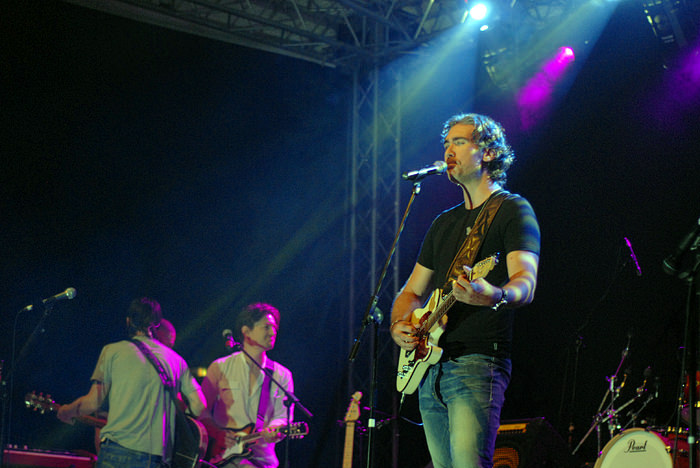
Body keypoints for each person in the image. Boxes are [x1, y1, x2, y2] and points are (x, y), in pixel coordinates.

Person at [390, 113, 540, 468]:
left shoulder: (513, 209)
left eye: (459, 142)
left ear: (488, 152)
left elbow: (526, 282)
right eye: (446, 143)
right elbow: (410, 293)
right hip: (430, 366)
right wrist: (399, 326)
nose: (448, 151)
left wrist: (494, 295)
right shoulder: (443, 222)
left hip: (477, 362)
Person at [57, 298, 206, 468]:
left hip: (118, 453)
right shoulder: (177, 361)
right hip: (157, 459)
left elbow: (92, 402)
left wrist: (66, 411)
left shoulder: (113, 351)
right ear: (157, 324)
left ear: (128, 321)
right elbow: (200, 406)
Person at [199, 303, 294, 468]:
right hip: (223, 458)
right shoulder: (220, 367)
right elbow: (200, 410)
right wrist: (219, 434)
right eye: (266, 327)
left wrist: (274, 429)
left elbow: (282, 416)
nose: (273, 333)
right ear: (246, 331)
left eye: (274, 328)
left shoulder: (282, 375)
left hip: (263, 461)